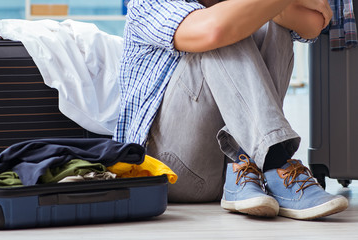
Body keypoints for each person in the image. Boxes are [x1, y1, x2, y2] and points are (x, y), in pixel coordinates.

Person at [113, 0, 349, 220]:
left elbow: (313, 24)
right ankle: (277, 161)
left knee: (270, 22)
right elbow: (214, 31)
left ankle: (246, 165)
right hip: (172, 169)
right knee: (223, 24)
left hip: (247, 177)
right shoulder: (145, 4)